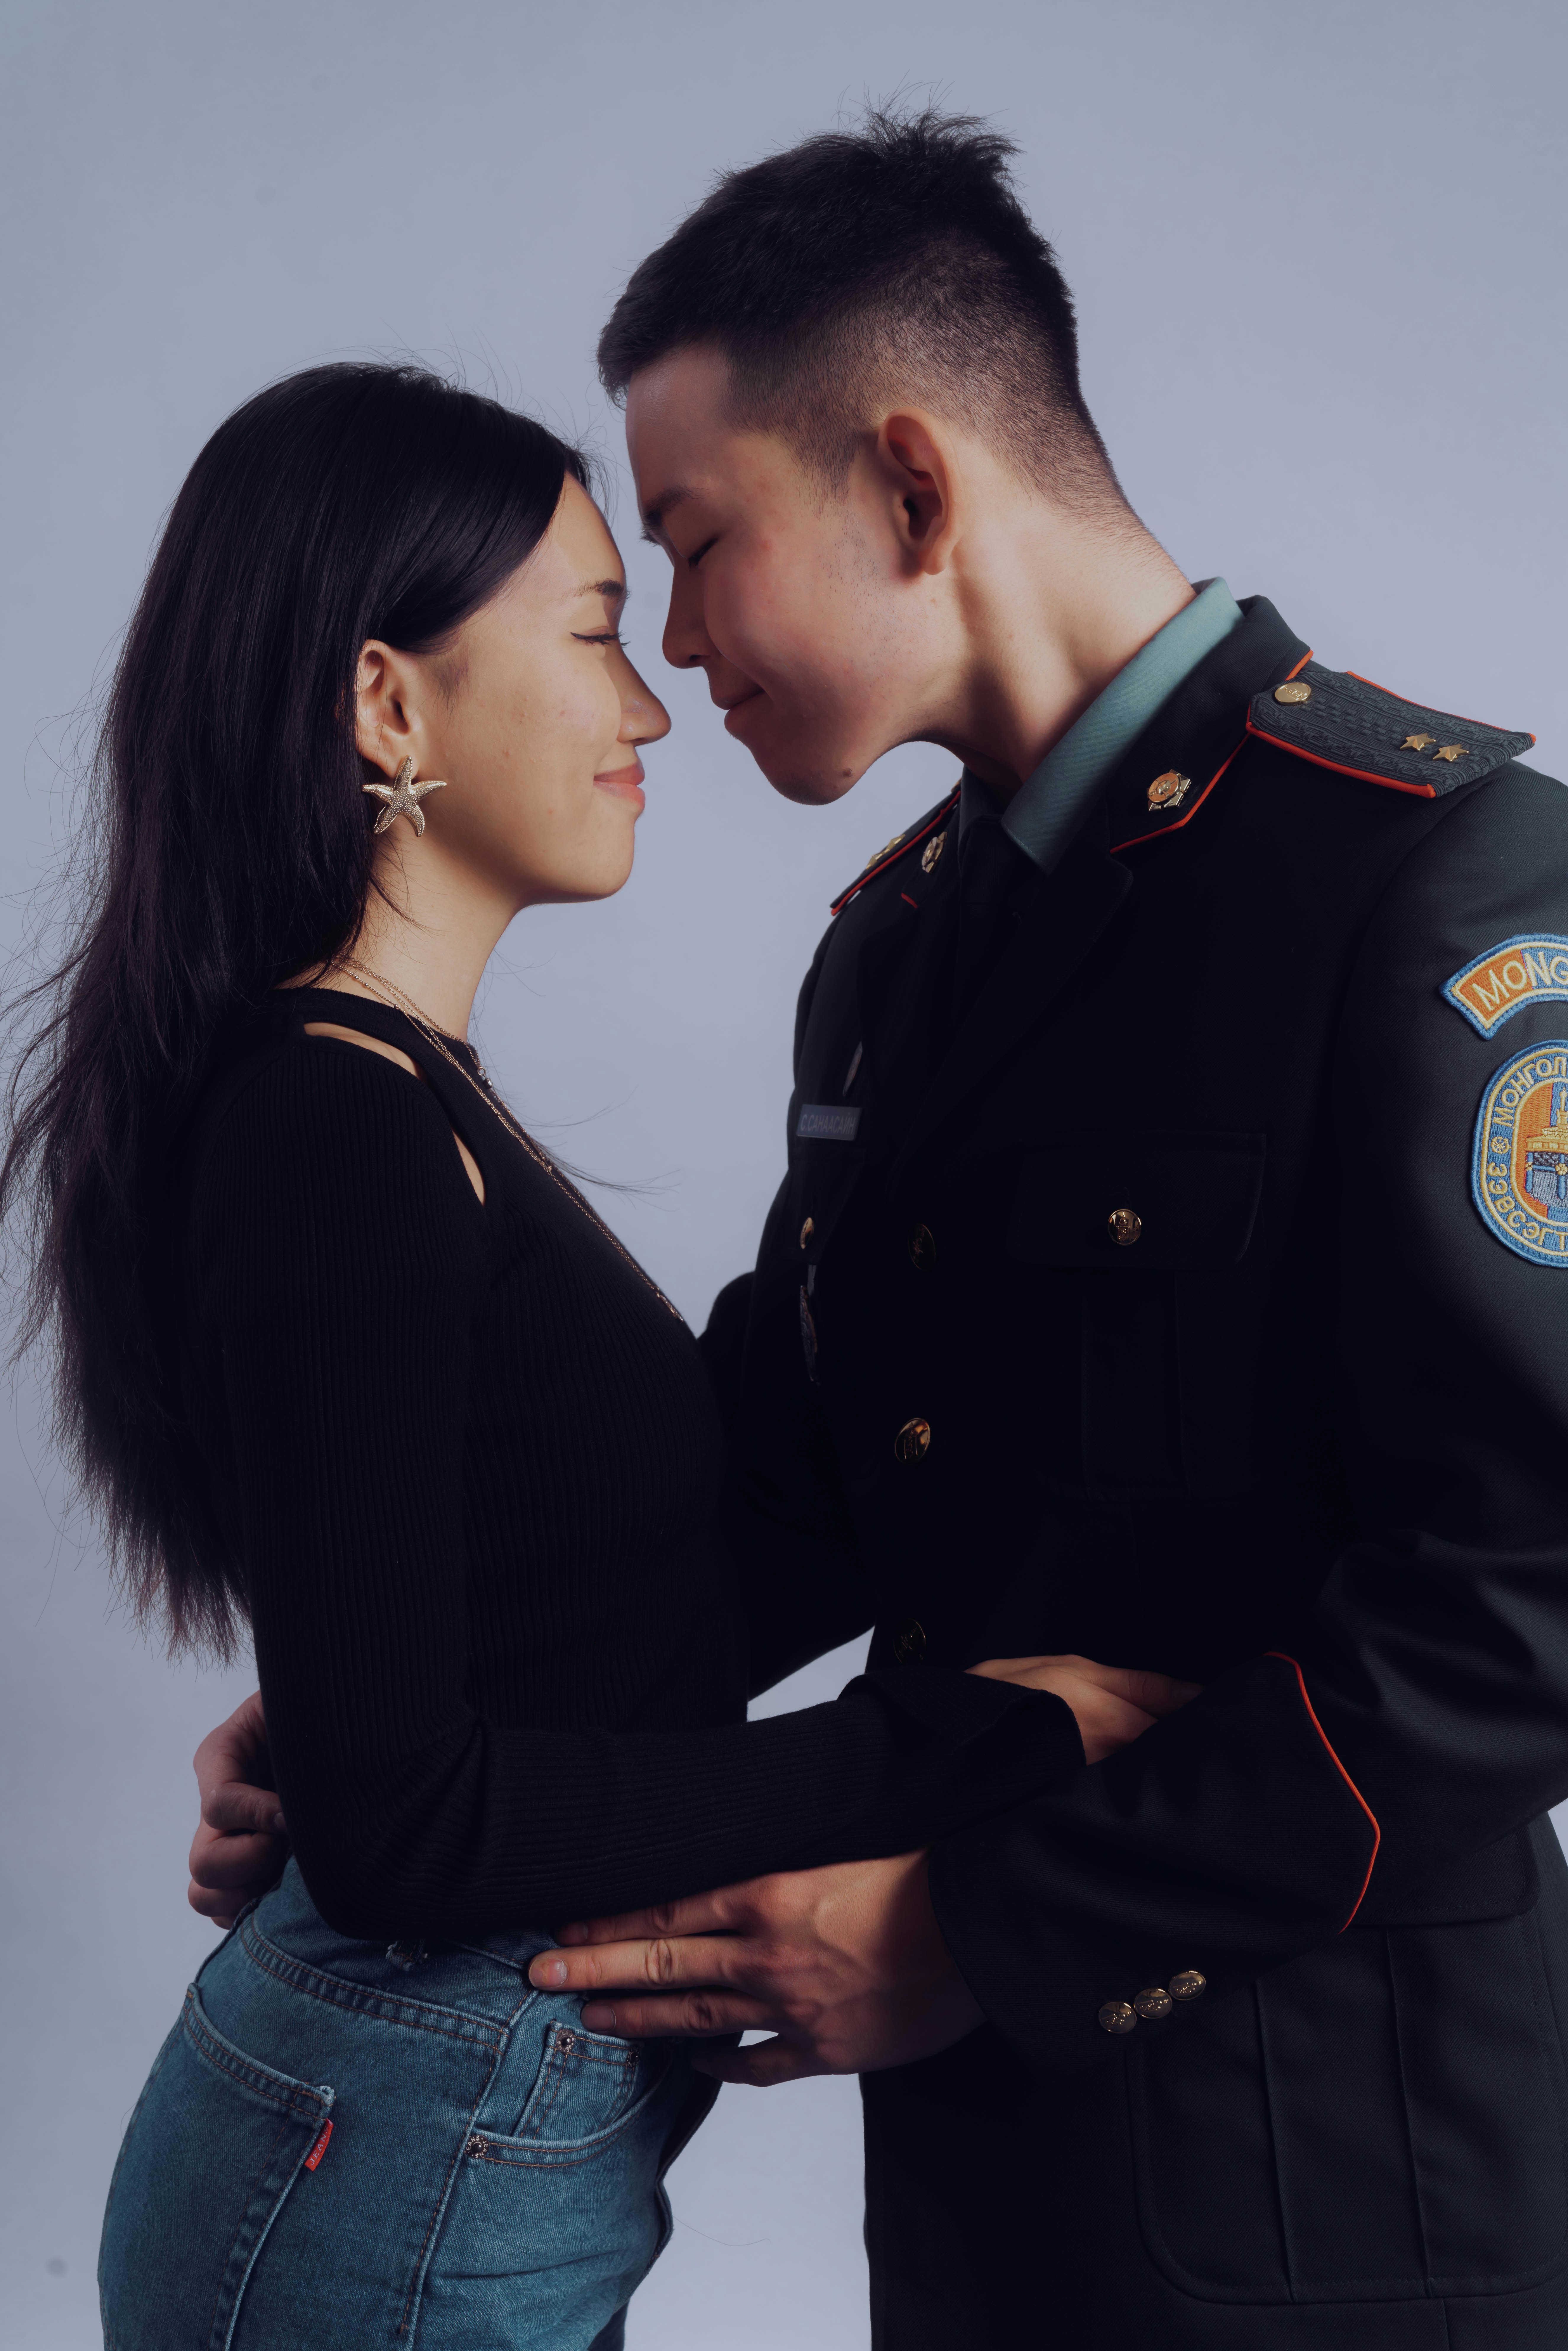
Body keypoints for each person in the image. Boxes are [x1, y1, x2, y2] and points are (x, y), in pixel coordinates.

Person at [194, 113, 1568, 2346]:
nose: (677, 655)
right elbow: (814, 1480)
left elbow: (1522, 1603)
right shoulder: (903, 952)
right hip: (973, 2181)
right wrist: (427, 1712)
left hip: (1334, 2181)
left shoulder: (1425, 879)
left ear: (913, 489)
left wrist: (995, 1921)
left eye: (697, 546)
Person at [1, 360, 1183, 2351]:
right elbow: (404, 1833)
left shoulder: (384, 1096)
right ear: (389, 705)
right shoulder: (334, 1120)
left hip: (427, 2128)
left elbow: (570, 1608)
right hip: (400, 2146)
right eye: (591, 635)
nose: (648, 707)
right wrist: (977, 1740)